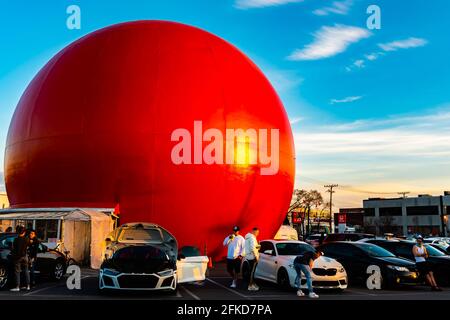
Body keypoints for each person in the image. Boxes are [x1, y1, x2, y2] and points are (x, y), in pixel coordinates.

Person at [10, 225, 30, 291]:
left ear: (18, 232)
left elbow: (14, 249)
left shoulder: (16, 240)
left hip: (18, 257)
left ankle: (17, 287)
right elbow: (28, 246)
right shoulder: (27, 239)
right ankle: (28, 286)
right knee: (26, 271)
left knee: (17, 272)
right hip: (25, 256)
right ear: (24, 232)